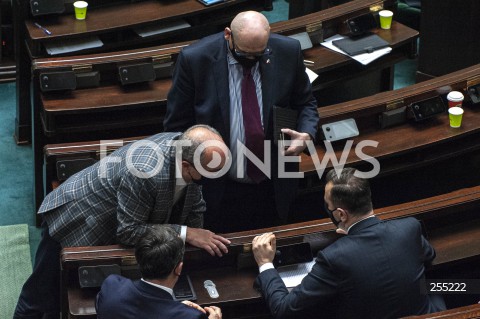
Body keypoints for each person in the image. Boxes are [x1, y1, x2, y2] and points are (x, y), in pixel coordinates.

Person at [14, 125, 231, 319]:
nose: (212, 180)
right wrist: (188, 233)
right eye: (207, 175)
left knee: (56, 304)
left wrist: (198, 234)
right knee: (40, 296)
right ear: (185, 165)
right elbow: (128, 231)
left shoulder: (190, 149)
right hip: (77, 220)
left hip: (117, 215)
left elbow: (195, 204)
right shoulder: (145, 172)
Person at [164, 11, 319, 232]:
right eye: (244, 54)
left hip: (274, 180)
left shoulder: (288, 51)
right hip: (218, 185)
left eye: (259, 54)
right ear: (228, 35)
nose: (252, 61)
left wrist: (307, 134)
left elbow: (306, 103)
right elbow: (175, 126)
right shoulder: (195, 59)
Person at [252, 167, 446, 319]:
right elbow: (429, 256)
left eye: (328, 206)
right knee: (445, 285)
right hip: (428, 313)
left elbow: (284, 309)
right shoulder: (408, 228)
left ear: (340, 215)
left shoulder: (334, 257)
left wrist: (265, 264)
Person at [96, 225, 222, 319]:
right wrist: (179, 310)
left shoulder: (111, 287)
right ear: (179, 268)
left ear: (138, 261)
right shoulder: (192, 316)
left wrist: (176, 307)